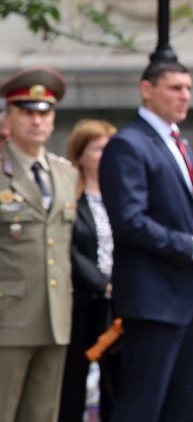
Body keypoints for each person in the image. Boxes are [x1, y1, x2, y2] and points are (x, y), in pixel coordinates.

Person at [100, 60, 193, 422]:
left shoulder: (178, 142)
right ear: (147, 89)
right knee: (142, 407)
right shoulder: (129, 144)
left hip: (190, 296)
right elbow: (130, 221)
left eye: (188, 88)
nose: (185, 96)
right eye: (175, 88)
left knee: (183, 408)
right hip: (153, 300)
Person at [0, 68, 77, 422]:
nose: (36, 121)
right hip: (7, 318)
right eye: (27, 112)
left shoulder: (65, 173)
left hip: (54, 316)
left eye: (44, 113)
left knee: (42, 415)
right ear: (9, 117)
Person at [58, 119, 119, 422]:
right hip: (80, 302)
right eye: (99, 149)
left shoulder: (121, 196)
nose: (106, 156)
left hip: (116, 307)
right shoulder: (68, 195)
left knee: (114, 386)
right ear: (81, 154)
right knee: (71, 384)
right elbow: (64, 247)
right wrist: (101, 283)